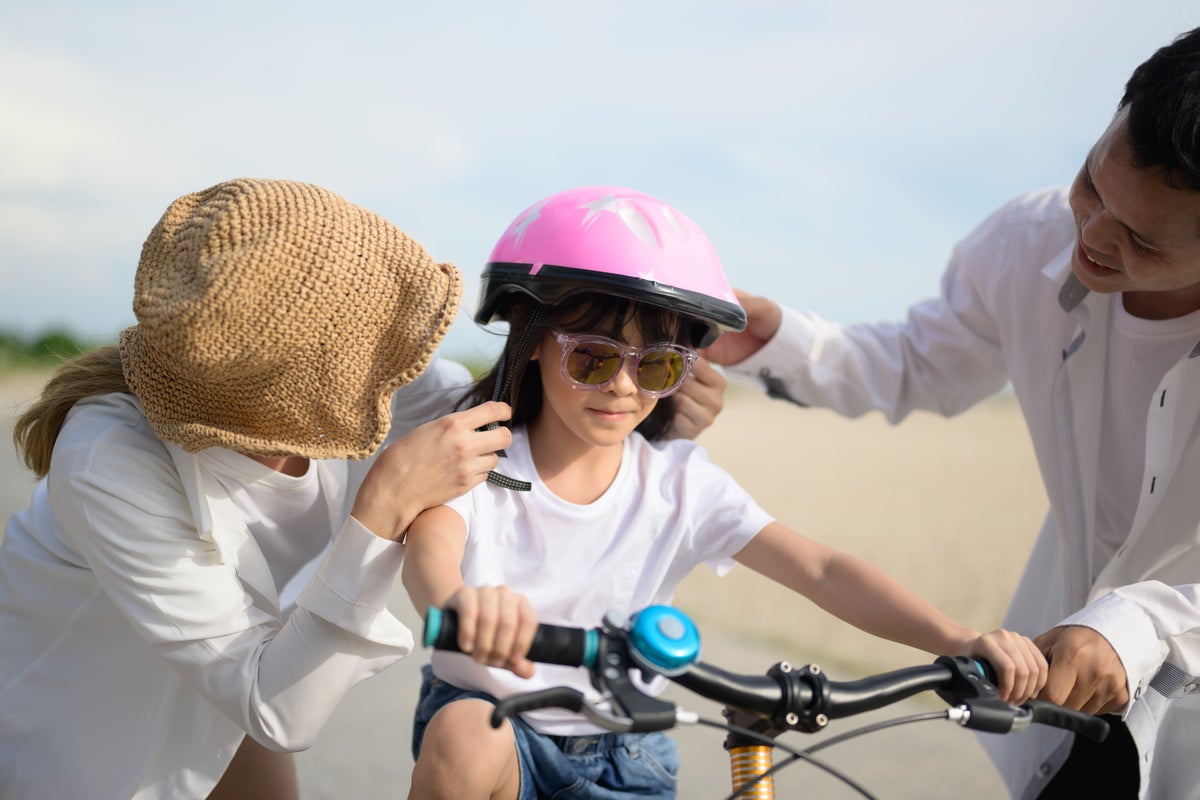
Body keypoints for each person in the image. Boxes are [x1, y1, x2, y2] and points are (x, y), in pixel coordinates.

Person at [399, 185, 1048, 800]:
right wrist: (464, 605)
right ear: (531, 335)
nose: (624, 387)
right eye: (593, 357)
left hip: (630, 750)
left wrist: (957, 639)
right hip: (501, 731)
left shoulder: (679, 481)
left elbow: (821, 570)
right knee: (466, 734)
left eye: (655, 364)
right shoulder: (478, 453)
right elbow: (432, 548)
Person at [702, 26, 1200, 800]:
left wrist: (1142, 625)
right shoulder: (1027, 242)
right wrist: (779, 341)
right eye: (1092, 186)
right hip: (1059, 705)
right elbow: (917, 362)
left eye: (1139, 238)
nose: (1091, 239)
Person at [0, 177, 520, 800]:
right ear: (312, 383)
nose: (398, 353)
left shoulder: (341, 371)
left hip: (237, 686)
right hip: (94, 738)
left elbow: (492, 412)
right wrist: (382, 506)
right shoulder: (107, 461)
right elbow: (279, 712)